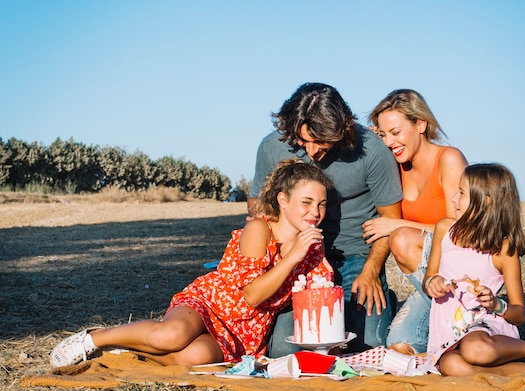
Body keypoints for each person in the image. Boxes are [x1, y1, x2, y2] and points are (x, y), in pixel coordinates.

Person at [50, 159, 335, 367]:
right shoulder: (259, 229)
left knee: (193, 358)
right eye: (306, 202)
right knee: (172, 336)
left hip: (245, 330)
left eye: (321, 204)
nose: (315, 212)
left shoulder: (312, 244)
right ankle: (95, 338)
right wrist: (295, 255)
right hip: (211, 304)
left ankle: (125, 352)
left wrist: (322, 278)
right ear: (283, 200)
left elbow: (316, 294)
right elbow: (252, 295)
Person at [248, 82, 403, 355]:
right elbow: (258, 210)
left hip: (357, 257)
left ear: (342, 129)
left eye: (320, 142)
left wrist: (372, 270)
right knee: (286, 355)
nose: (310, 151)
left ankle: (381, 299)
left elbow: (390, 222)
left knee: (368, 350)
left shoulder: (373, 151)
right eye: (302, 140)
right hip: (295, 259)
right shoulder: (271, 146)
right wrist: (284, 258)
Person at [423, 163, 525, 376]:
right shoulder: (444, 230)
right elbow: (428, 279)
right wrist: (431, 283)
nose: (453, 199)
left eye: (461, 193)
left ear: (485, 202)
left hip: (485, 328)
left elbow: (519, 314)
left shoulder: (503, 250)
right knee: (450, 366)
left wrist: (497, 304)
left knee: (474, 349)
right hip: (448, 332)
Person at [363, 89, 468, 355]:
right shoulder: (395, 165)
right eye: (383, 135)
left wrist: (396, 225)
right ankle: (457, 324)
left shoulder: (449, 159)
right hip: (429, 282)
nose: (389, 142)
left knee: (402, 238)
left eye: (396, 132)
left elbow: (461, 230)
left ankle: (470, 309)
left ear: (420, 124)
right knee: (399, 346)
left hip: (459, 267)